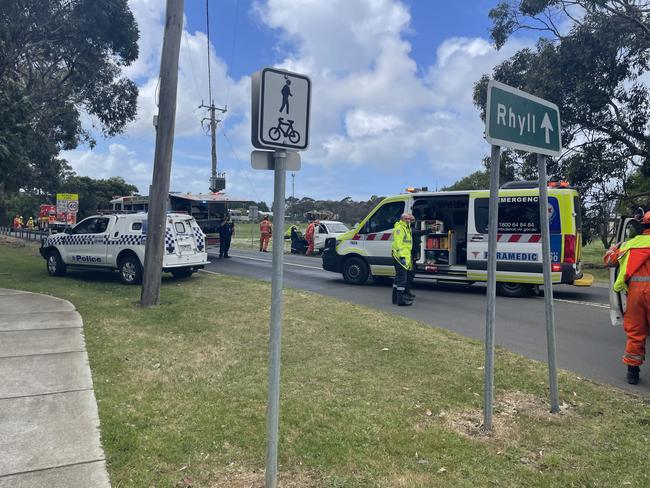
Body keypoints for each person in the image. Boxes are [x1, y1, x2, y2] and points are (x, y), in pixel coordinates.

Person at [604, 211, 650, 385]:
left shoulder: (630, 245)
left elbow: (609, 261)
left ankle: (632, 373)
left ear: (643, 225)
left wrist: (614, 248)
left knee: (636, 333)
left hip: (635, 295)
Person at [392, 213, 415, 306]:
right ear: (405, 219)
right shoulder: (400, 228)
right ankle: (401, 300)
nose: (411, 221)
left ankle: (395, 298)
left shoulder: (406, 227)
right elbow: (398, 243)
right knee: (402, 278)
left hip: (405, 256)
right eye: (409, 219)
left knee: (398, 277)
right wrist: (401, 256)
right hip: (400, 256)